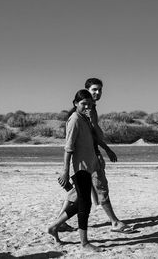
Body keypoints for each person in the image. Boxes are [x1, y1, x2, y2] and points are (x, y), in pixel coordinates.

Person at [58, 78, 134, 233]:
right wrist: (65, 170)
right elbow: (73, 143)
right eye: (94, 90)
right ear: (87, 90)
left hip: (89, 157)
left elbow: (92, 135)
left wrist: (106, 149)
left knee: (77, 193)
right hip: (88, 159)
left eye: (100, 90)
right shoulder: (80, 114)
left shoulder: (88, 110)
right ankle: (114, 222)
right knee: (100, 188)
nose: (97, 93)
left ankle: (59, 222)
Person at [47, 89, 102, 252]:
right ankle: (84, 243)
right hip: (78, 169)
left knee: (80, 202)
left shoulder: (85, 118)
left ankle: (54, 226)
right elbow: (68, 148)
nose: (87, 107)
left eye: (89, 104)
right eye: (84, 104)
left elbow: (94, 139)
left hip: (86, 167)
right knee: (85, 204)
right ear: (75, 103)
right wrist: (65, 171)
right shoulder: (74, 120)